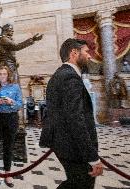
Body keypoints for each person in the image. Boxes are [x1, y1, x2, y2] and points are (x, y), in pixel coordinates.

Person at [39, 38, 103, 189]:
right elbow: (76, 118)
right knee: (82, 184)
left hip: (65, 143)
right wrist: (92, 157)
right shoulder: (69, 77)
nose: (89, 56)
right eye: (86, 51)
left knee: (76, 183)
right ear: (74, 53)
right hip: (73, 146)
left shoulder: (60, 75)